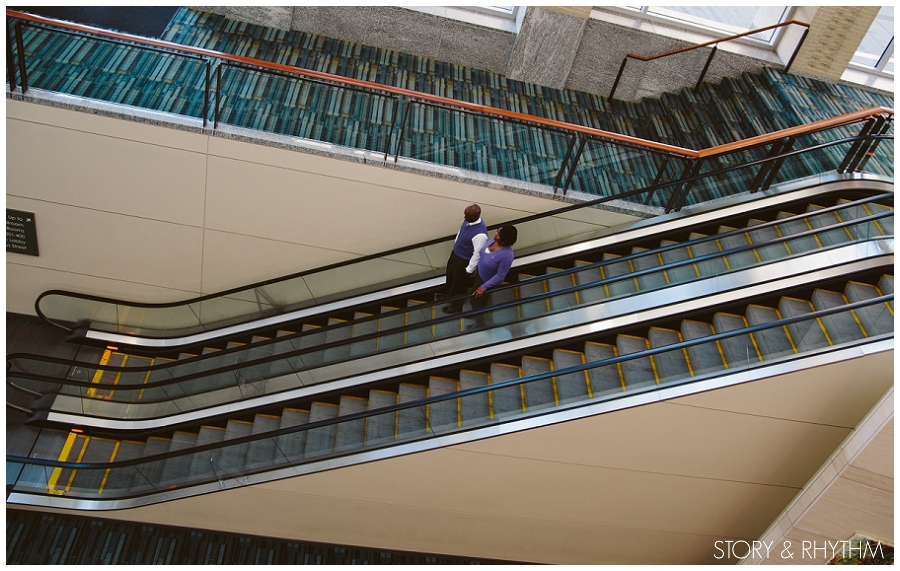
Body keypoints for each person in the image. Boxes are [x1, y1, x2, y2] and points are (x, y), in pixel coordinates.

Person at [440, 203, 488, 314]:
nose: (464, 218)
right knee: (451, 276)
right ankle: (448, 295)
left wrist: (469, 269)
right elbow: (461, 231)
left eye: (467, 216)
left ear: (475, 217)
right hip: (455, 255)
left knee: (459, 286)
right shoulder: (468, 220)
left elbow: (477, 254)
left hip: (463, 262)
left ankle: (456, 307)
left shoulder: (480, 235)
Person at [469, 225, 518, 328]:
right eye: (497, 232)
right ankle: (477, 313)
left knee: (474, 301)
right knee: (477, 300)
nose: (495, 235)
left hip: (486, 281)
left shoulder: (506, 255)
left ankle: (480, 324)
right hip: (479, 274)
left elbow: (500, 276)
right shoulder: (494, 239)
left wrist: (484, 287)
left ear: (504, 240)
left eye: (498, 235)